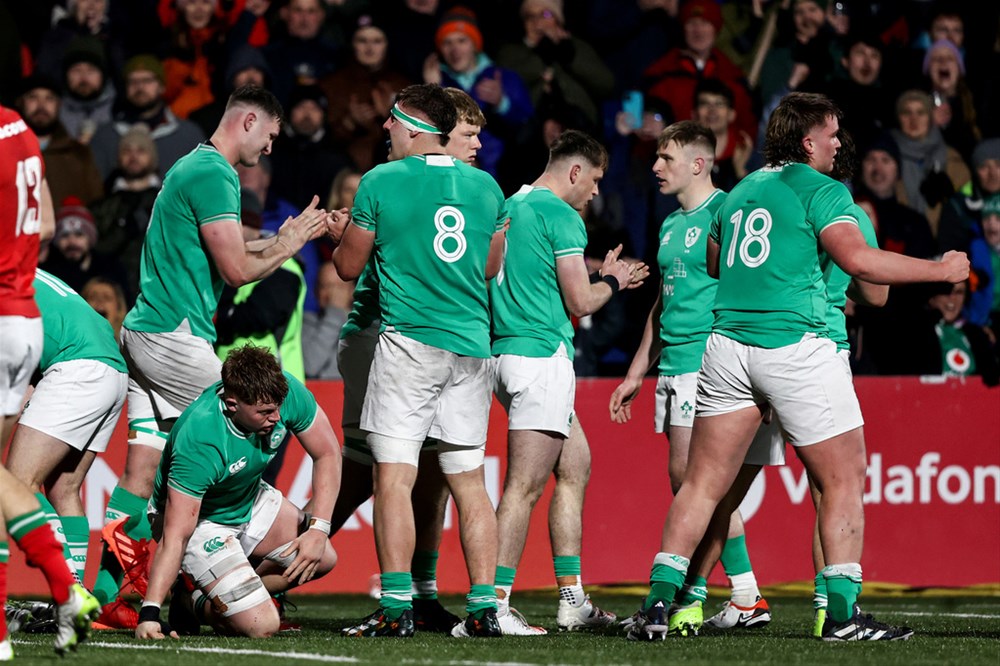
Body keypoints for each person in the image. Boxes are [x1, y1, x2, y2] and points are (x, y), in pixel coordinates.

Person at [625, 92, 968, 642]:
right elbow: (860, 266)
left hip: (727, 347)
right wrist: (940, 269)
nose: (838, 143)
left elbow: (715, 261)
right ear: (808, 142)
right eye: (831, 134)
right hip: (797, 346)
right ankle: (840, 615)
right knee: (841, 479)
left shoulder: (740, 190)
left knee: (702, 484)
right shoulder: (826, 191)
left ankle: (658, 605)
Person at [92, 84, 340, 629]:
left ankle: (108, 597)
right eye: (270, 135)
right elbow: (236, 270)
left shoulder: (192, 166)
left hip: (146, 331)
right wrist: (289, 247)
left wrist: (282, 236)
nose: (270, 148)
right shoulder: (216, 174)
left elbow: (229, 247)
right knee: (244, 437)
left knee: (141, 472)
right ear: (249, 121)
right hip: (177, 339)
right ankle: (211, 584)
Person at [333, 83, 506, 638]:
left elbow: (347, 268)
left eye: (391, 120)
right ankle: (484, 608)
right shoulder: (487, 187)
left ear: (412, 128)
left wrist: (345, 236)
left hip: (410, 344)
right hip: (472, 348)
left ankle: (396, 606)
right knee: (469, 483)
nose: (385, 128)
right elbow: (488, 267)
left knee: (393, 478)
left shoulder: (380, 180)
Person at [610, 121, 777, 637]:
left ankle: (706, 594)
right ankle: (745, 596)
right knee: (701, 487)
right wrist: (636, 371)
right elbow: (664, 304)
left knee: (693, 483)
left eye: (667, 158)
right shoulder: (669, 225)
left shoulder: (727, 213)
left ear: (699, 164)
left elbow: (753, 288)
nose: (656, 166)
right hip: (673, 367)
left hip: (709, 367)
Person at [490, 129, 640, 635]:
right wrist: (614, 280)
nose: (595, 192)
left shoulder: (510, 204)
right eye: (594, 180)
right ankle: (493, 604)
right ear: (574, 171)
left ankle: (572, 599)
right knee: (523, 487)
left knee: (576, 464)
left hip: (505, 352)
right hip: (540, 357)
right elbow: (581, 301)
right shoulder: (561, 215)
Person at [134, 345, 341, 640]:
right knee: (261, 624)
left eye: (278, 407)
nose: (277, 417)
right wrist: (149, 614)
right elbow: (176, 535)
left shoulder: (282, 391)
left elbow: (328, 454)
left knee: (322, 556)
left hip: (246, 496)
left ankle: (211, 597)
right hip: (202, 522)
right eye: (265, 412)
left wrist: (319, 530)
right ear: (233, 404)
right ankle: (199, 603)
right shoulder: (201, 439)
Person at [0, 103, 96, 660]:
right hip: (23, 320)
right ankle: (64, 592)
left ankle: (59, 591)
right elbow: (49, 225)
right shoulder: (20, 131)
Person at [6, 268, 128, 584]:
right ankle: (76, 592)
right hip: (111, 370)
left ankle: (68, 588)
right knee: (64, 489)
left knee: (18, 482)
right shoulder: (21, 268)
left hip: (78, 368)